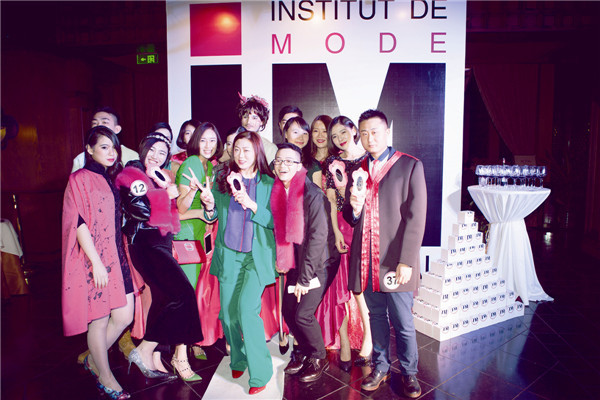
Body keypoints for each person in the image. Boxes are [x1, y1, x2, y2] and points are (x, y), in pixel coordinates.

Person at [343, 109, 426, 397]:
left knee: (402, 321)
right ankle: (381, 366)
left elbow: (416, 218)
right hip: (366, 261)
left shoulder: (409, 166)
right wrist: (354, 208)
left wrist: (406, 261)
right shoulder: (357, 169)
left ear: (387, 131)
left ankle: (410, 372)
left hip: (394, 261)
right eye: (364, 133)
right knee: (376, 316)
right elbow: (350, 216)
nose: (370, 138)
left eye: (375, 132)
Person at [116, 132, 203, 382]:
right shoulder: (132, 174)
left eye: (162, 153)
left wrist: (179, 194)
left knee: (164, 299)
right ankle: (145, 349)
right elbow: (140, 211)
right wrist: (167, 195)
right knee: (183, 294)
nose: (156, 156)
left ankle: (151, 356)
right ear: (143, 150)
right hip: (145, 242)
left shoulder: (160, 177)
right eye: (152, 150)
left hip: (160, 242)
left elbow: (172, 211)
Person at [199, 130, 276, 395]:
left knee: (246, 310)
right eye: (237, 149)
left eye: (247, 150)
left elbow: (275, 221)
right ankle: (238, 358)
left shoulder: (269, 183)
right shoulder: (223, 179)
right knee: (229, 314)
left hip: (257, 257)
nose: (241, 155)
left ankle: (261, 372)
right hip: (229, 254)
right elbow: (212, 217)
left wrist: (252, 205)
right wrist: (209, 205)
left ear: (257, 152)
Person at [62, 126, 134, 400]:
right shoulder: (80, 178)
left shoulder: (112, 177)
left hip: (118, 255)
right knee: (100, 319)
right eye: (104, 146)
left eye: (114, 147)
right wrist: (96, 262)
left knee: (125, 316)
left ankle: (94, 359)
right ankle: (105, 377)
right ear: (89, 149)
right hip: (96, 258)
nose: (111, 152)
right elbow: (78, 222)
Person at [272, 143, 340, 383]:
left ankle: (319, 357)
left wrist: (305, 278)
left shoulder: (312, 194)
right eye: (278, 160)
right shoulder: (280, 191)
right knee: (288, 310)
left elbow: (318, 238)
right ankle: (302, 351)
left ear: (299, 165)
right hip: (297, 260)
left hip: (320, 262)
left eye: (289, 161)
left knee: (303, 314)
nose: (283, 165)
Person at [321, 116, 372, 371]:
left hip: (365, 228)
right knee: (339, 286)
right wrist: (336, 232)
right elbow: (332, 202)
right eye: (334, 136)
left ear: (353, 130)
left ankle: (369, 339)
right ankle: (343, 342)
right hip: (341, 227)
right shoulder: (332, 163)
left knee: (361, 286)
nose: (339, 138)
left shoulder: (369, 159)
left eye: (343, 132)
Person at [175, 122, 224, 360]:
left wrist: (207, 214)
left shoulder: (209, 166)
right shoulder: (192, 163)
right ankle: (179, 355)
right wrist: (197, 201)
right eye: (203, 139)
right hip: (185, 235)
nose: (207, 145)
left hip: (199, 234)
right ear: (195, 141)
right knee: (187, 294)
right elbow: (179, 209)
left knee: (196, 291)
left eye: (212, 140)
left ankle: (192, 340)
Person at [71, 106, 139, 172]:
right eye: (94, 123)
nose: (99, 126)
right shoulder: (80, 159)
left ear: (117, 129)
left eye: (105, 122)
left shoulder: (131, 155)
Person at [237, 93, 278, 163]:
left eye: (254, 118)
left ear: (262, 121)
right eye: (245, 117)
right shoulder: (233, 142)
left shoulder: (270, 148)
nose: (248, 121)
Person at [281, 117, 321, 181]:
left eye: (305, 133)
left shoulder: (314, 165)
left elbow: (317, 187)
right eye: (295, 132)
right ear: (286, 134)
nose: (301, 137)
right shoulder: (278, 162)